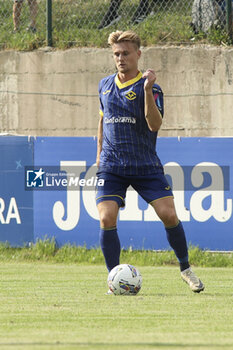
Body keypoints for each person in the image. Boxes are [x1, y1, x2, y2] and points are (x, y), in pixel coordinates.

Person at [96, 30, 205, 294]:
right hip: (112, 164)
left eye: (126, 53)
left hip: (144, 163)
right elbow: (101, 120)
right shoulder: (104, 85)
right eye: (116, 54)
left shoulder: (152, 88)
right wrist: (99, 156)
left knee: (169, 214)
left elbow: (155, 124)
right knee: (106, 217)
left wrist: (145, 91)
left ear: (138, 55)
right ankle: (114, 279)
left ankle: (185, 268)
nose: (121, 59)